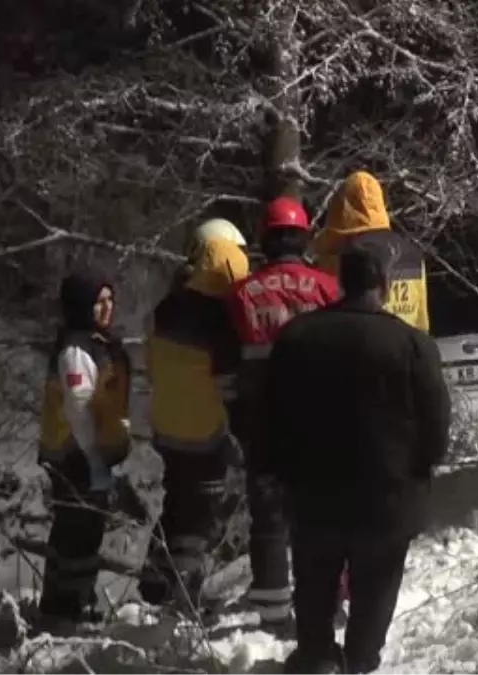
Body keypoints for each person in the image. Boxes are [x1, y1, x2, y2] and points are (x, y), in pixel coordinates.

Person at [262, 241, 452, 675]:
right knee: (376, 586)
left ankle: (315, 655)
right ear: (383, 285)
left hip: (312, 492)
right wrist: (420, 469)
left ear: (340, 282)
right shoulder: (413, 344)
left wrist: (273, 470)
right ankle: (360, 661)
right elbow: (435, 425)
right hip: (388, 494)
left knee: (313, 580)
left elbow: (270, 413)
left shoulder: (297, 337)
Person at [228, 195, 340, 627]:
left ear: (265, 241)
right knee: (320, 513)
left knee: (269, 515)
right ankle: (327, 606)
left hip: (263, 418)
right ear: (304, 237)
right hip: (317, 415)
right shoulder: (328, 287)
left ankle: (272, 611)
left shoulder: (240, 294)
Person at [139, 230, 250, 618]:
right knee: (200, 513)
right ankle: (184, 596)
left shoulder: (167, 310)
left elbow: (153, 366)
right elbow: (229, 383)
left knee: (178, 498)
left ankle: (157, 570)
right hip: (204, 431)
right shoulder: (221, 321)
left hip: (166, 428)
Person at [37, 269, 132, 628]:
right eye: (99, 302)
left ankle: (67, 605)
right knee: (78, 533)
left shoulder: (95, 342)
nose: (108, 308)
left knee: (78, 531)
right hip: (75, 456)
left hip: (83, 455)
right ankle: (66, 610)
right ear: (82, 306)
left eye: (110, 300)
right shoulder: (76, 350)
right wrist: (95, 460)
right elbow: (79, 408)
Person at [311, 170, 429, 333]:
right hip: (403, 349)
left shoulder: (341, 256)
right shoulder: (412, 255)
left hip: (357, 349)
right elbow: (421, 323)